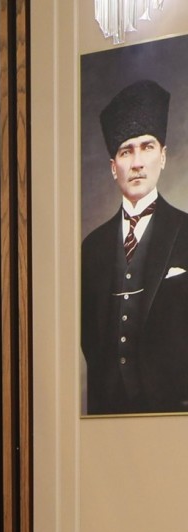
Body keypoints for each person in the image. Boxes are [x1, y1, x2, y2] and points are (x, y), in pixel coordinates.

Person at [81, 78, 188, 415]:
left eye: (147, 147)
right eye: (126, 151)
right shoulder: (92, 247)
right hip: (107, 415)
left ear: (164, 156)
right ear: (113, 167)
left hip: (174, 412)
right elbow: (88, 338)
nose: (137, 162)